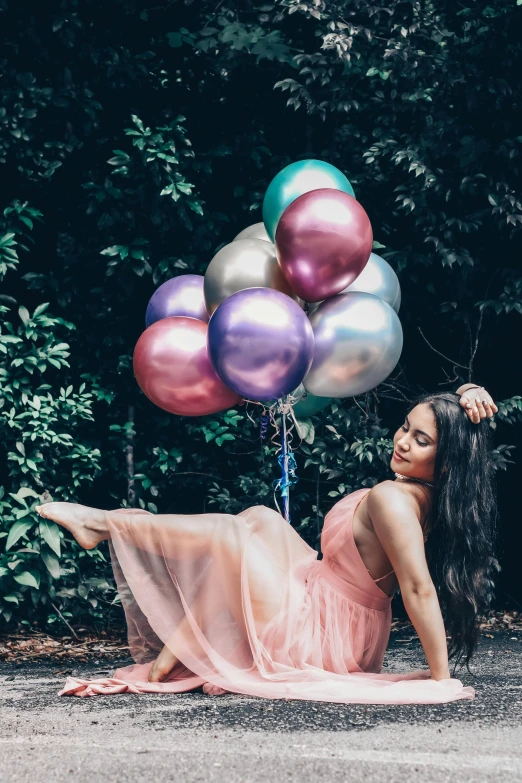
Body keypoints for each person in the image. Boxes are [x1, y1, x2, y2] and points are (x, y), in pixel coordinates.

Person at [36, 383, 498, 703]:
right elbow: (457, 436)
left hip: (323, 636)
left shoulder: (394, 501)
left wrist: (441, 680)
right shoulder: (425, 494)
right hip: (334, 610)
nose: (402, 442)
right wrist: (467, 392)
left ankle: (105, 524)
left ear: (448, 457)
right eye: (404, 428)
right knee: (261, 519)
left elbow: (418, 589)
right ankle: (170, 656)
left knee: (230, 536)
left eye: (421, 440)